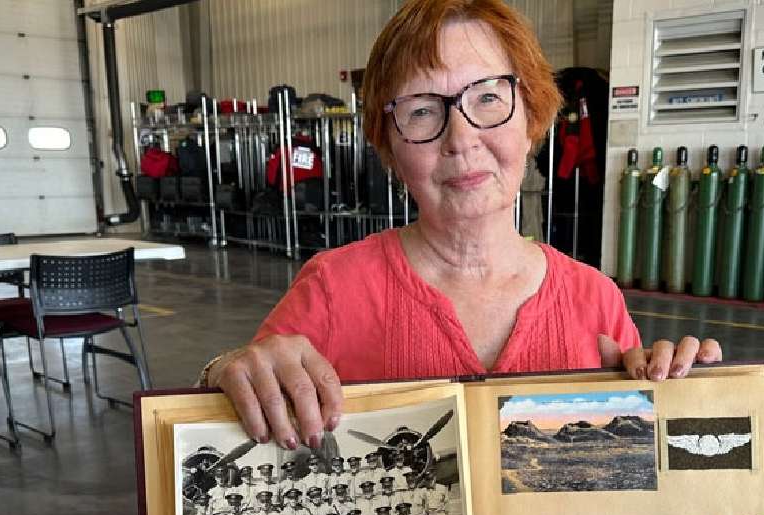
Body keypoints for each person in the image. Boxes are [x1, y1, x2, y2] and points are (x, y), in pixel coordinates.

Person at [200, 0, 721, 449]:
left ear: (531, 118)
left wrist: (675, 386)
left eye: (488, 97)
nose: (461, 138)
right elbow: (241, 414)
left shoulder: (596, 299)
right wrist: (227, 373)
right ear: (390, 146)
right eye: (423, 111)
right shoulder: (333, 290)